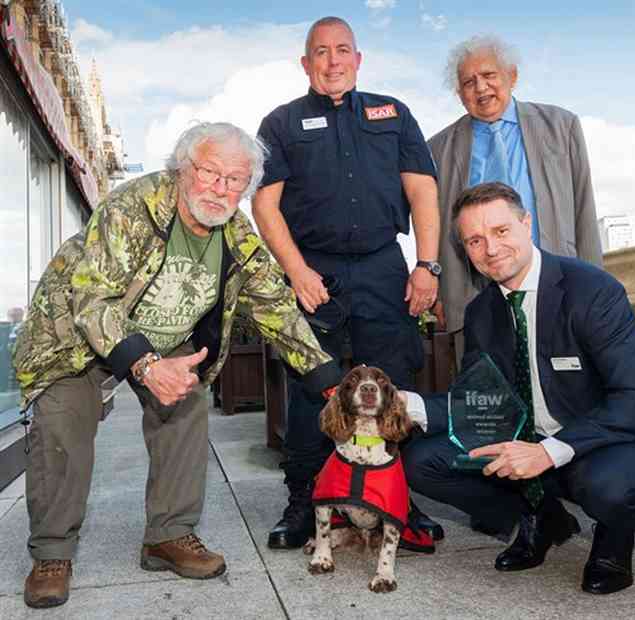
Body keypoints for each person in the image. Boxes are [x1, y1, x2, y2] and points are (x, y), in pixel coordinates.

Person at [12, 122, 342, 609]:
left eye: (235, 180)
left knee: (186, 408)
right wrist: (144, 366)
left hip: (166, 338)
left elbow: (275, 305)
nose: (221, 188)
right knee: (64, 426)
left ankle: (168, 536)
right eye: (210, 172)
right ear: (182, 169)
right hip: (75, 339)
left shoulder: (236, 233)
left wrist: (327, 380)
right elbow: (92, 298)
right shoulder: (132, 207)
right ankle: (52, 554)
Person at [402, 182, 635, 595]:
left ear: (526, 224)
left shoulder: (593, 291)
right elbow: (484, 402)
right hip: (525, 439)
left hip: (601, 443)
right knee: (423, 461)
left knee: (611, 487)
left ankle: (613, 540)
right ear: (465, 249)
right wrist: (411, 406)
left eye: (500, 231)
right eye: (475, 240)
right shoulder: (481, 313)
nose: (490, 249)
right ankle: (541, 516)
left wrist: (548, 452)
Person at [253, 16, 441, 549]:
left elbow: (423, 191)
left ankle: (399, 502)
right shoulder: (282, 123)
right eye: (320, 52)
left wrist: (426, 265)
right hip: (315, 272)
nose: (332, 61)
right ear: (305, 63)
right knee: (313, 388)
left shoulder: (394, 114)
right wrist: (296, 271)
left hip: (385, 268)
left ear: (358, 59)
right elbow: (264, 204)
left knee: (393, 387)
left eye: (342, 51)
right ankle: (302, 503)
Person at [429, 35, 603, 364]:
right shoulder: (437, 149)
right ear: (459, 93)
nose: (481, 88)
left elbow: (583, 205)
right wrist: (440, 288)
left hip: (557, 285)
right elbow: (435, 227)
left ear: (513, 75)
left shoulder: (561, 126)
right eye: (469, 81)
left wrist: (594, 282)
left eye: (489, 76)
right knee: (490, 397)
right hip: (477, 293)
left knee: (567, 384)